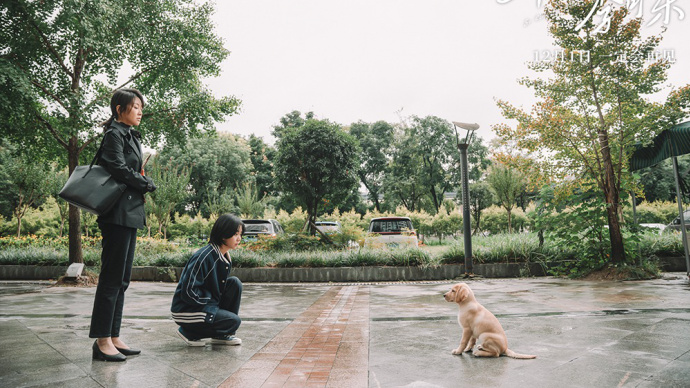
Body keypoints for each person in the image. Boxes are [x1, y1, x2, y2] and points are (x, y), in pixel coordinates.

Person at [90, 88, 157, 362]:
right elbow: (116, 167)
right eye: (135, 106)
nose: (140, 111)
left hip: (130, 213)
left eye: (141, 107)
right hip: (116, 214)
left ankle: (114, 336)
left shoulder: (131, 135)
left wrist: (142, 181)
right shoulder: (113, 134)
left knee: (123, 280)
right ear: (119, 109)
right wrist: (145, 183)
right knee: (111, 279)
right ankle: (102, 341)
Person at [171, 214, 244, 347]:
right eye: (235, 234)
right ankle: (189, 332)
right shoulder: (204, 257)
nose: (239, 238)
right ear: (223, 235)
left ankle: (221, 335)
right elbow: (188, 291)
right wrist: (211, 304)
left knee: (234, 283)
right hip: (186, 309)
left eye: (240, 234)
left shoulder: (223, 256)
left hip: (202, 305)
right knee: (233, 321)